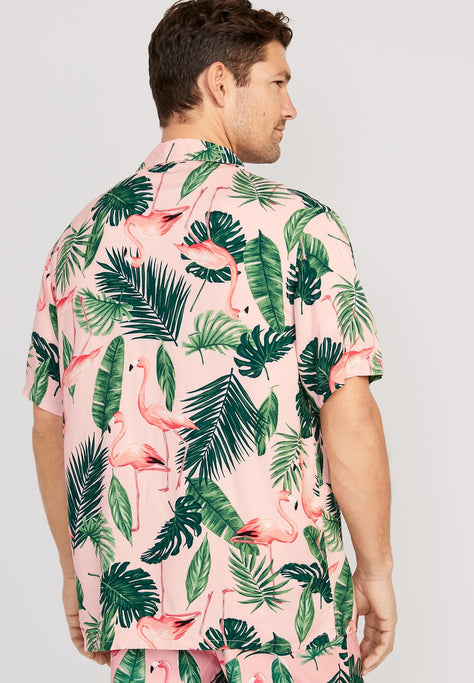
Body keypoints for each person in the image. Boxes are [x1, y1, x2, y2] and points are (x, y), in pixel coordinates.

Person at [23, 1, 396, 681]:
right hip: (282, 611)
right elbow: (348, 409)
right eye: (278, 83)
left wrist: (75, 573)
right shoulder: (298, 225)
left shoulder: (78, 238)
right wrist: (376, 569)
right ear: (220, 83)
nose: (290, 108)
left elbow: (50, 424)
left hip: (139, 612)